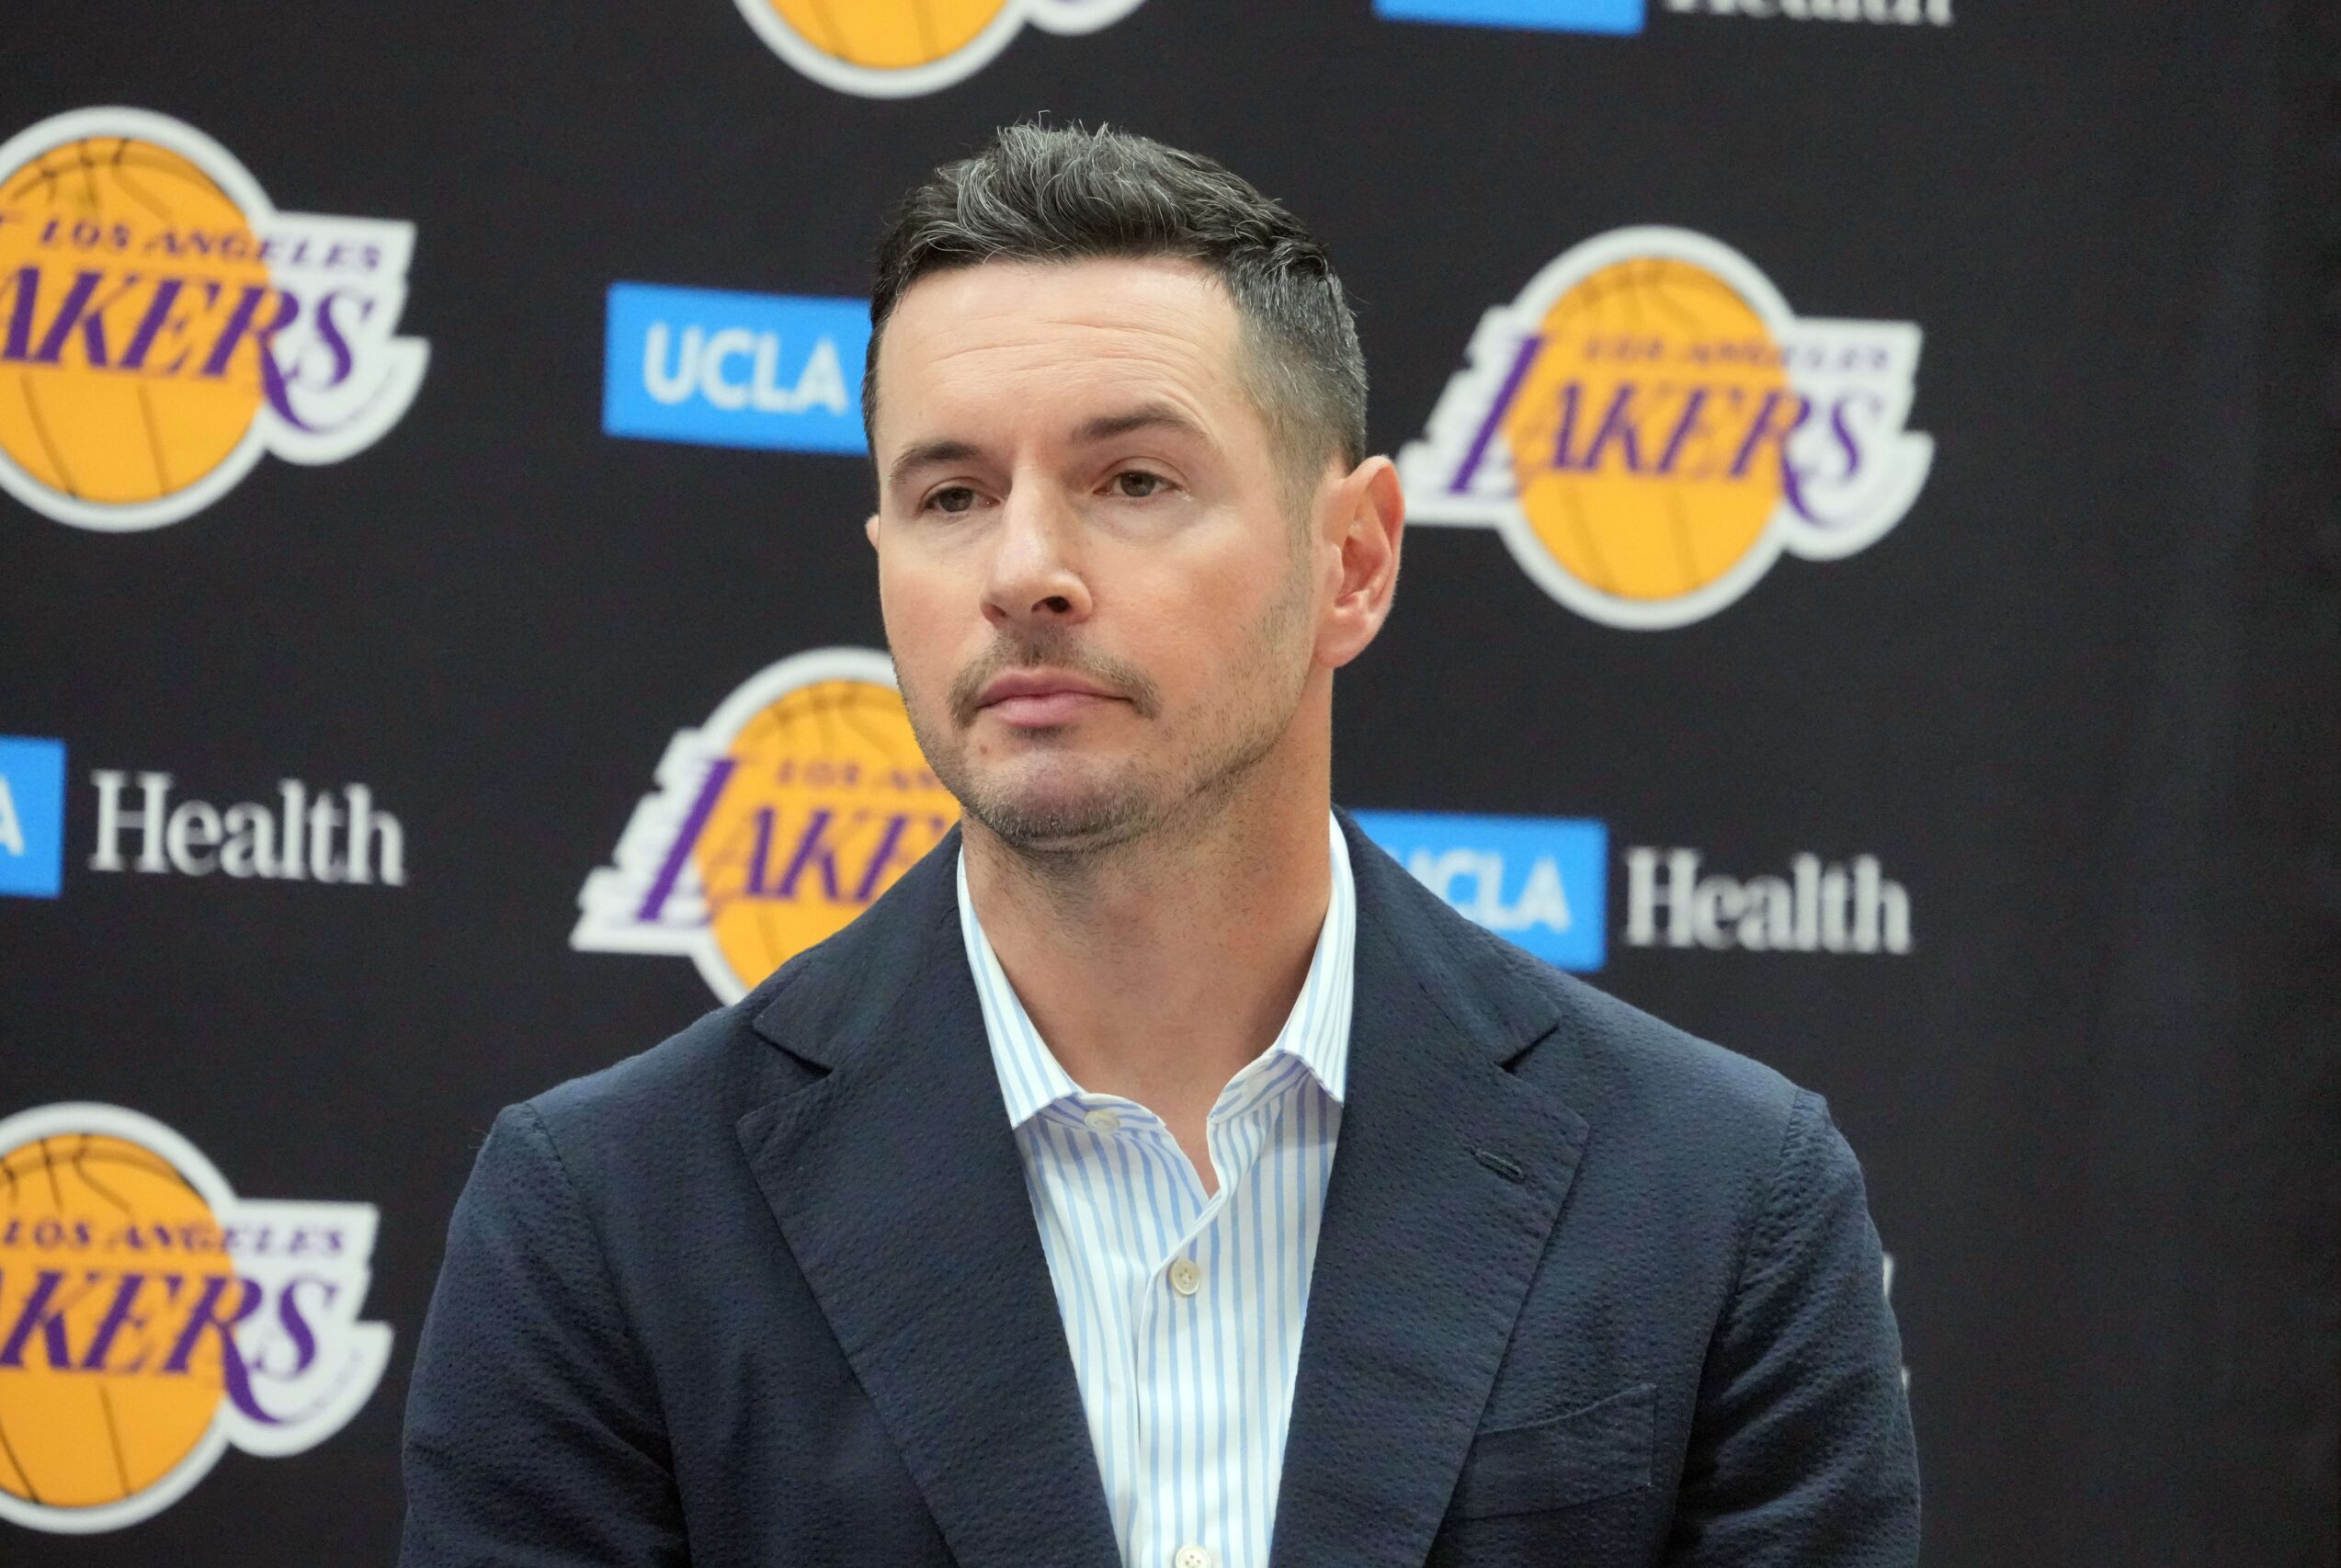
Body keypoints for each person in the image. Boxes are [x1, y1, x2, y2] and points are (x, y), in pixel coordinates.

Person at [399, 123, 1919, 1568]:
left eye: (1133, 480)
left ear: (1355, 560)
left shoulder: (1720, 1195)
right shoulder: (605, 1216)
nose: (1024, 571)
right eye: (950, 494)